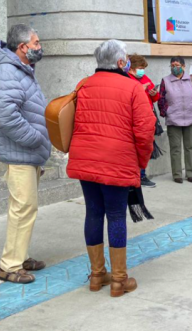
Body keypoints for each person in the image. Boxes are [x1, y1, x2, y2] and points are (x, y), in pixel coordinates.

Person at [67, 40, 156, 297]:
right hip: (117, 161)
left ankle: (97, 276)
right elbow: (145, 130)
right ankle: (119, 280)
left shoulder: (83, 85)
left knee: (93, 214)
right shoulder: (133, 87)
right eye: (126, 58)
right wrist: (141, 161)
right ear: (120, 62)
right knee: (116, 216)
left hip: (86, 160)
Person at [0, 24, 51, 284]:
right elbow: (6, 116)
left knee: (26, 208)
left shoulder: (21, 70)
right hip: (20, 152)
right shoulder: (6, 72)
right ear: (22, 47)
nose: (39, 46)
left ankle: (19, 256)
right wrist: (35, 139)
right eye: (36, 42)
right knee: (23, 208)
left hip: (28, 153)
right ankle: (9, 266)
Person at [158, 56, 192, 183]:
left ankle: (190, 173)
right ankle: (177, 175)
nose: (175, 67)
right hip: (174, 118)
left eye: (177, 65)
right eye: (172, 65)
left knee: (189, 147)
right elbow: (161, 98)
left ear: (183, 66)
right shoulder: (165, 80)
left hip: (191, 117)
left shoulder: (191, 79)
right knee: (175, 148)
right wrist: (166, 111)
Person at [128, 54, 159, 188]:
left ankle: (142, 175)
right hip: (135, 118)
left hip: (147, 117)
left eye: (143, 68)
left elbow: (155, 98)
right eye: (140, 68)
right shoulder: (127, 79)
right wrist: (141, 89)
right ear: (132, 68)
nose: (142, 71)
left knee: (144, 147)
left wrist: (154, 93)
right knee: (135, 149)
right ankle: (138, 176)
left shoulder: (145, 78)